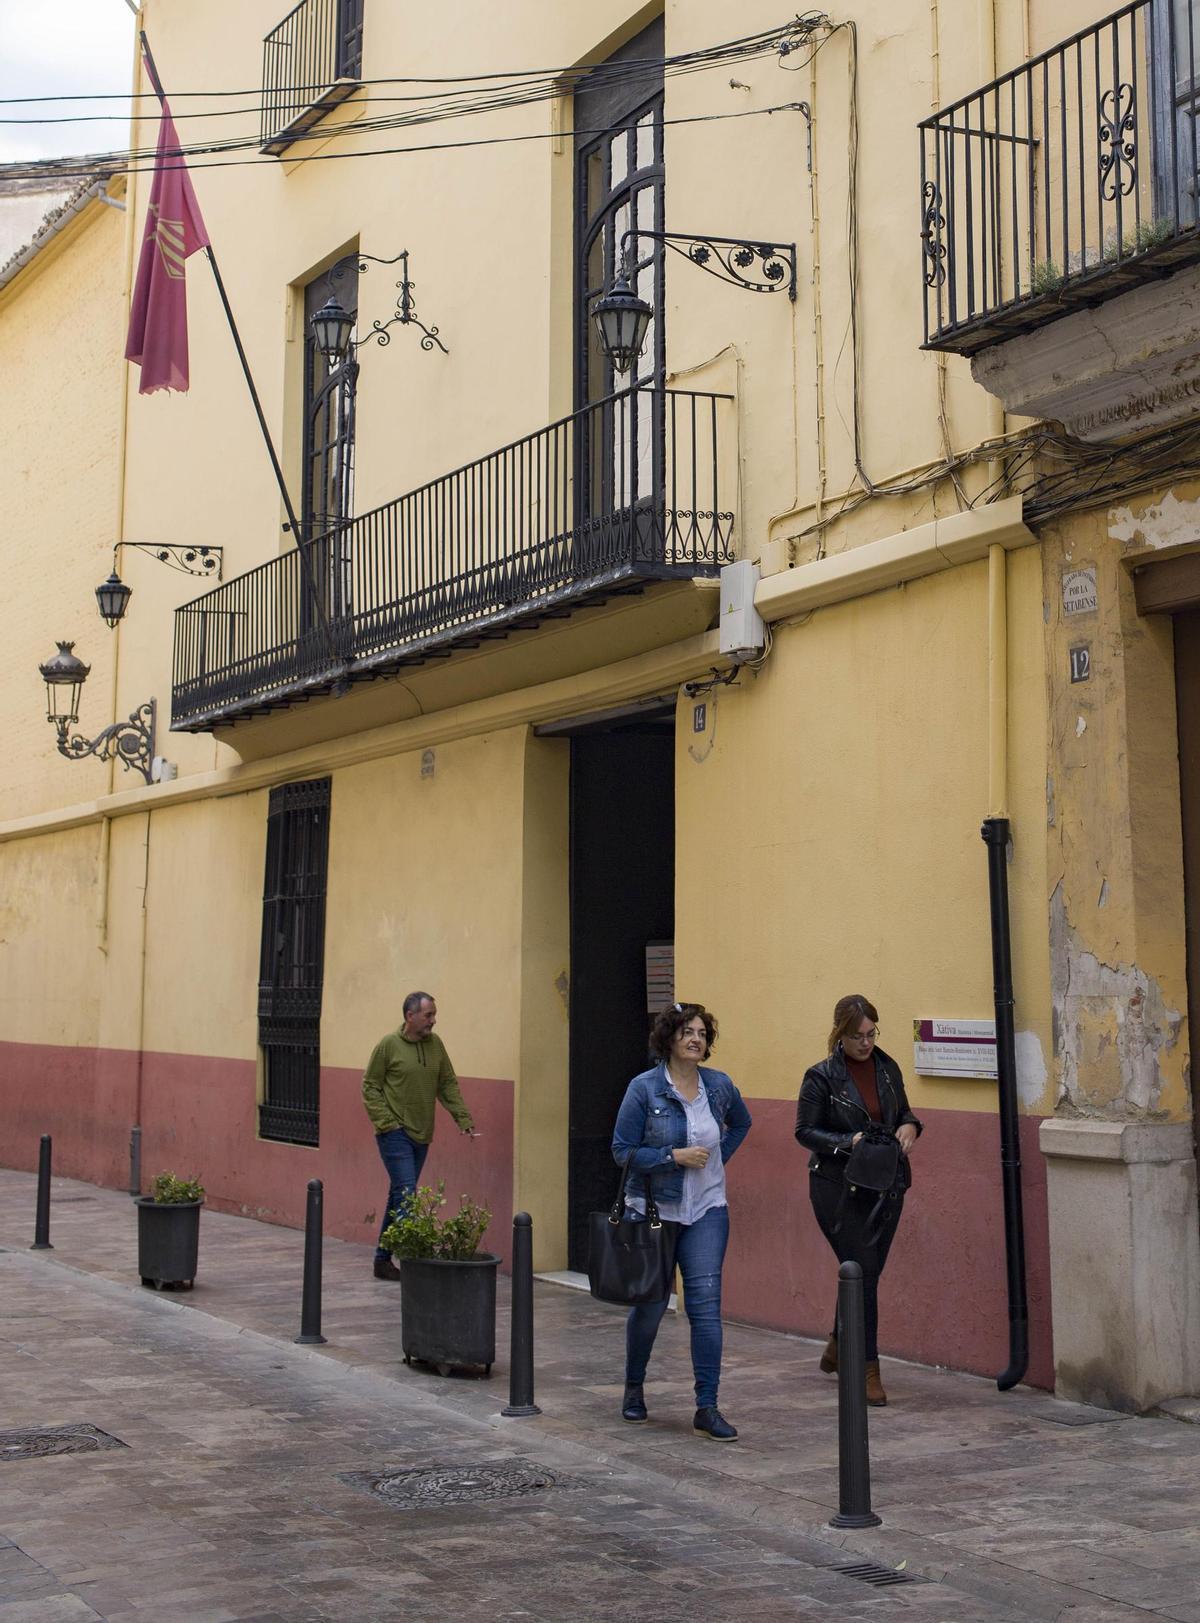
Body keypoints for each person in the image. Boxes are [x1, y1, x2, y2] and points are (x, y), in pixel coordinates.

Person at [611, 1002, 752, 1440]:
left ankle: (707, 1407)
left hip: (708, 1210)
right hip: (655, 1211)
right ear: (669, 1038)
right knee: (651, 1308)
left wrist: (715, 1163)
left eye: (702, 1034)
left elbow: (741, 1125)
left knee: (706, 1311)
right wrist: (674, 1158)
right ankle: (634, 1388)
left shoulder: (719, 1085)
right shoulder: (644, 1089)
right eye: (687, 1032)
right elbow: (622, 1150)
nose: (696, 1039)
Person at [795, 993, 921, 1406]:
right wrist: (847, 1141)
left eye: (871, 1033)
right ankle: (867, 1368)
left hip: (886, 1185)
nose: (866, 1043)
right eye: (857, 1036)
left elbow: (904, 1112)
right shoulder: (821, 1077)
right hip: (838, 1187)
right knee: (863, 1273)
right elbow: (805, 1132)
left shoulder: (887, 1068)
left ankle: (837, 1341)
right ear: (840, 1035)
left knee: (864, 1273)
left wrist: (910, 1128)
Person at [362, 991, 477, 1280]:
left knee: (400, 1193)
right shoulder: (388, 1046)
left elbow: (447, 1083)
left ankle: (382, 1259)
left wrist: (462, 1117)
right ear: (409, 1016)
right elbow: (370, 1087)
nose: (433, 1021)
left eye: (434, 1015)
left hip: (422, 1133)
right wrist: (387, 1123)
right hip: (394, 1133)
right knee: (406, 1193)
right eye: (428, 1015)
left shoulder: (435, 1045)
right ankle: (412, 1261)